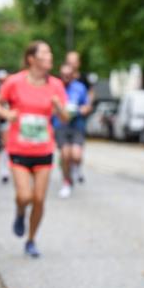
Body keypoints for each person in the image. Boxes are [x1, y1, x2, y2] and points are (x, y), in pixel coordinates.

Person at [0, 41, 68, 258]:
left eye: (50, 52)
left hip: (43, 149)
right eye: (45, 53)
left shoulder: (56, 85)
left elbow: (65, 116)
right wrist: (8, 115)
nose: (50, 56)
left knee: (40, 199)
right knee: (25, 196)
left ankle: (31, 240)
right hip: (19, 148)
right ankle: (20, 212)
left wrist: (58, 107)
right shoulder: (14, 82)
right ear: (32, 59)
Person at [54, 62, 91, 198]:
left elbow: (87, 106)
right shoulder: (55, 87)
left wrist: (82, 110)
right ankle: (66, 182)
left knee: (75, 155)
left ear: (73, 75)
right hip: (61, 125)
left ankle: (75, 168)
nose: (66, 78)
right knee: (65, 155)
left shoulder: (79, 88)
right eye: (63, 75)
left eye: (68, 75)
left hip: (77, 125)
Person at [64, 51, 94, 184]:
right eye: (69, 61)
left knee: (77, 149)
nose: (72, 63)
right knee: (66, 151)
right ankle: (67, 174)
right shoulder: (62, 78)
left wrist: (87, 106)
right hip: (64, 119)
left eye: (74, 61)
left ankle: (77, 166)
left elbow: (91, 93)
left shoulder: (84, 79)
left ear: (78, 63)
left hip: (79, 117)